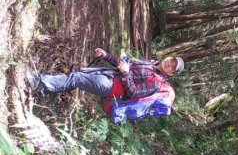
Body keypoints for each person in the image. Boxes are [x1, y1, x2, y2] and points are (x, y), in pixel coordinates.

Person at [27, 48, 184, 100]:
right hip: (110, 76)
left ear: (170, 74)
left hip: (112, 87)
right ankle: (41, 89)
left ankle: (38, 82)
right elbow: (124, 65)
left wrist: (126, 74)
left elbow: (134, 93)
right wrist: (106, 56)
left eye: (172, 67)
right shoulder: (151, 63)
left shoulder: (156, 82)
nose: (170, 63)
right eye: (172, 60)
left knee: (78, 78)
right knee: (77, 77)